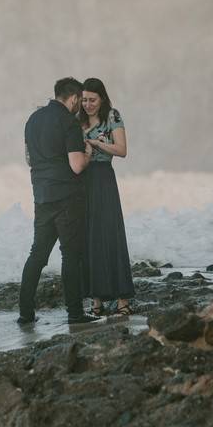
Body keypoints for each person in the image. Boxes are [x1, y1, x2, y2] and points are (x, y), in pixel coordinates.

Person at [19, 77, 101, 325]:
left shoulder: (32, 120)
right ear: (74, 98)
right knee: (70, 255)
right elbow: (76, 166)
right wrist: (88, 154)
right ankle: (75, 314)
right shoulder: (69, 123)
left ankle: (25, 313)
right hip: (67, 198)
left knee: (37, 255)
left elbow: (29, 159)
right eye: (80, 101)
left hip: (42, 196)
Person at [78, 77, 135, 316]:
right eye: (84, 100)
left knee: (111, 234)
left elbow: (122, 151)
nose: (88, 104)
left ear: (102, 98)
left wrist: (96, 145)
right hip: (82, 180)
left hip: (103, 179)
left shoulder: (112, 116)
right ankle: (96, 300)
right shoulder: (77, 120)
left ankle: (122, 300)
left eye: (92, 100)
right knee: (89, 238)